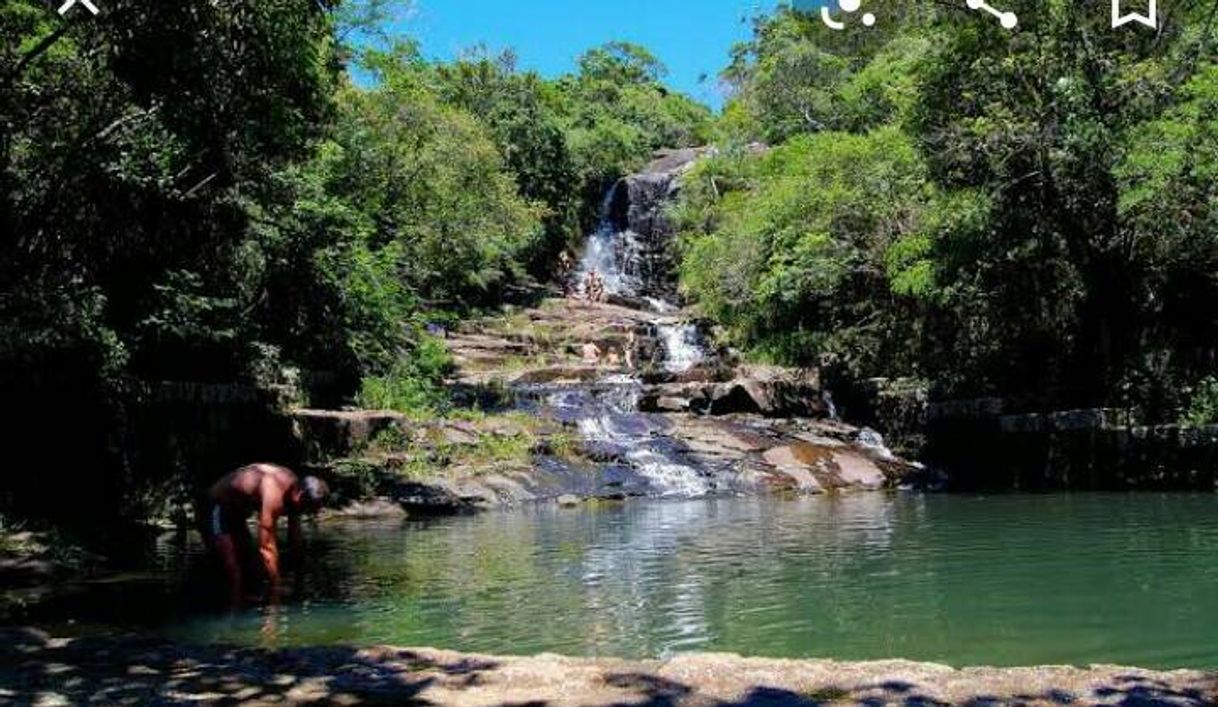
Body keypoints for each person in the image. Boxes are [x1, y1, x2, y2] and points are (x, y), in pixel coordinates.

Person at [198, 463, 329, 606]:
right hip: (217, 505)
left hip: (237, 511)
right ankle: (232, 615)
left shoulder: (295, 492)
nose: (307, 512)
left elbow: (295, 536)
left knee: (249, 561)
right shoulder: (274, 492)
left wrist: (300, 576)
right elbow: (267, 547)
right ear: (300, 495)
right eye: (308, 507)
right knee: (232, 568)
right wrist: (276, 587)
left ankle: (246, 600)